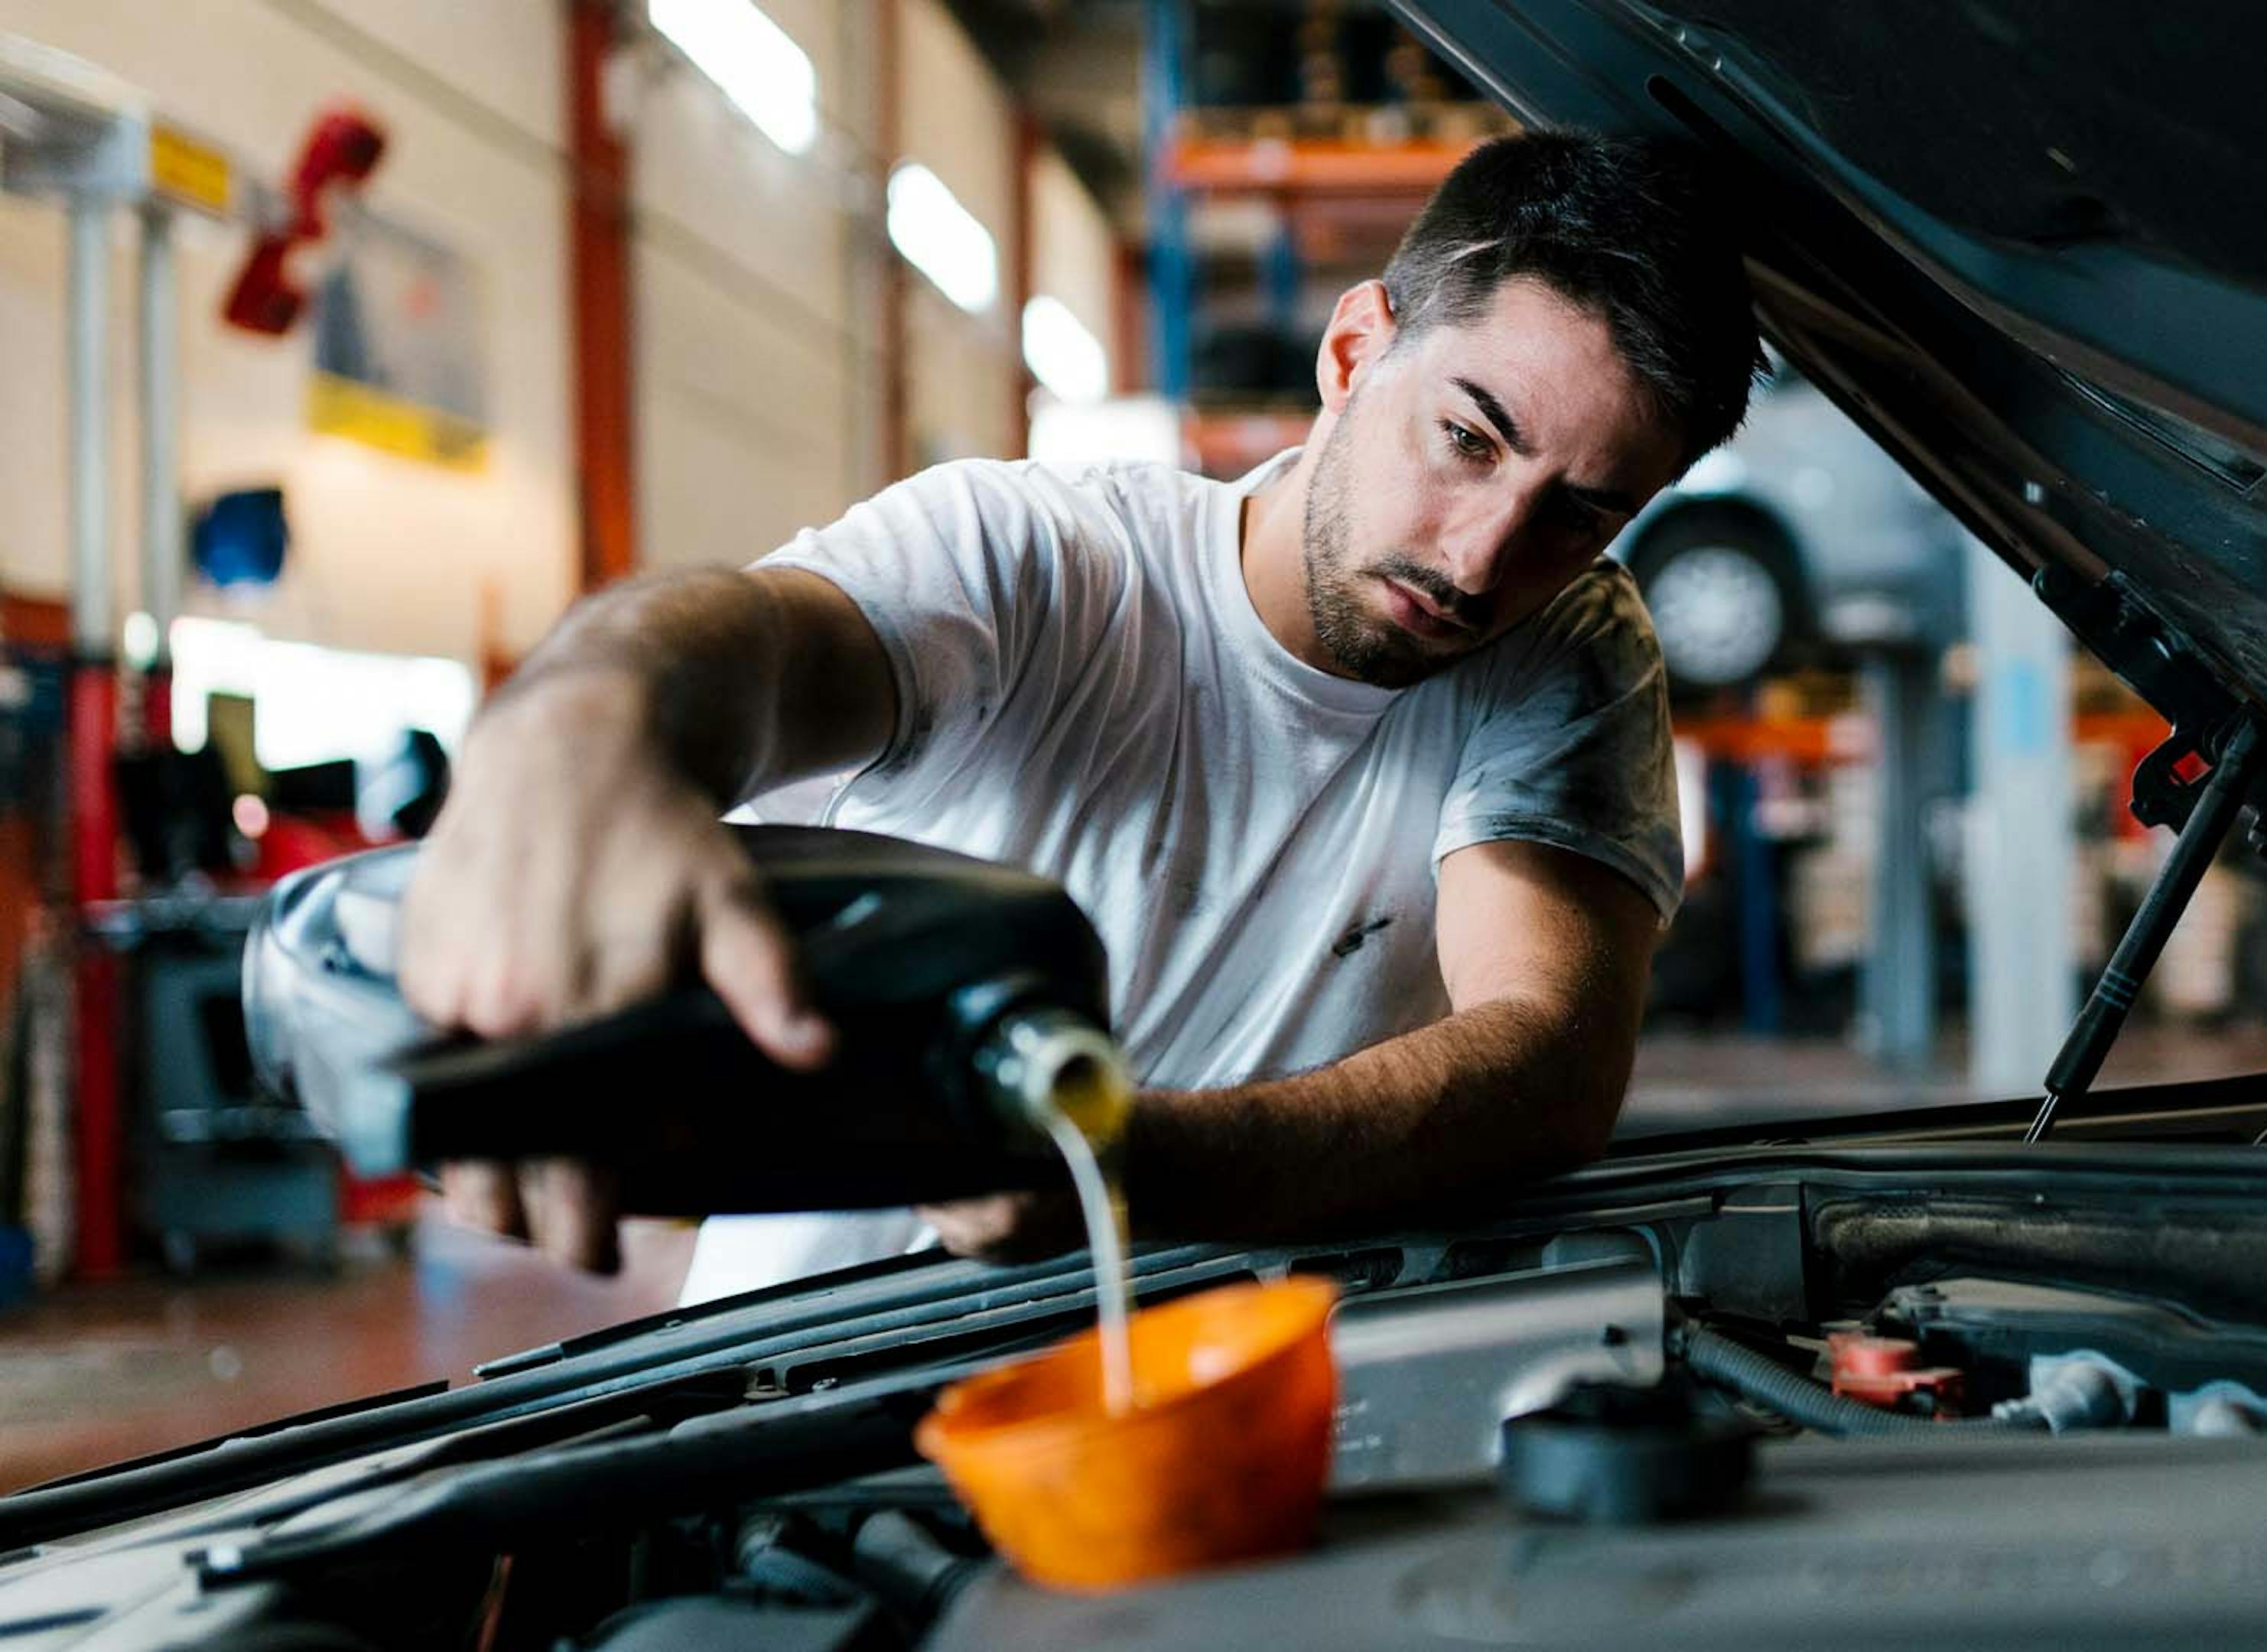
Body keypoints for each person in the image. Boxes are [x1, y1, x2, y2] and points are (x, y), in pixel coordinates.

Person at [398, 130, 1762, 1296]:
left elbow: (1547, 1062)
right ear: (1355, 350)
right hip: (792, 1401)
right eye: (1468, 439)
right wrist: (588, 729)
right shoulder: (1036, 559)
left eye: (1577, 516)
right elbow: (760, 646)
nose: (1479, 560)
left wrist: (1118, 1161)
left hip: (1204, 1422)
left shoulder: (1564, 651)